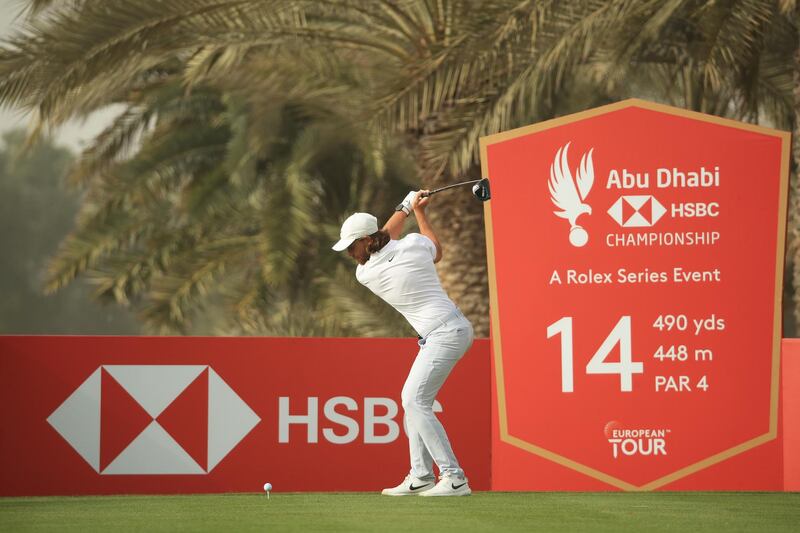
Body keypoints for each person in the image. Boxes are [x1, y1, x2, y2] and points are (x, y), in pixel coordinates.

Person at [332, 190, 474, 497]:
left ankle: (454, 477)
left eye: (352, 246)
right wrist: (416, 212)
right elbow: (435, 250)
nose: (349, 253)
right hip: (450, 330)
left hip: (445, 334)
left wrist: (407, 206)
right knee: (413, 404)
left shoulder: (366, 272)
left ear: (367, 241)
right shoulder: (413, 245)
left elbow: (386, 233)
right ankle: (421, 475)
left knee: (413, 400)